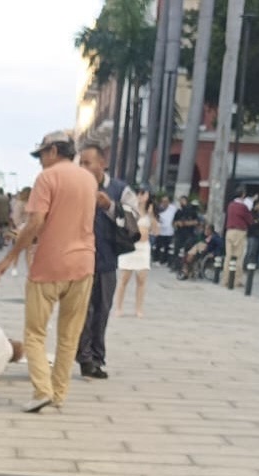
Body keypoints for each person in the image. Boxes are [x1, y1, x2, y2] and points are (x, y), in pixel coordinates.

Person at [0, 130, 97, 413]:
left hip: (50, 265)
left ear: (53, 151)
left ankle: (42, 390)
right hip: (84, 264)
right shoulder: (89, 179)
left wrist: (11, 256)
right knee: (69, 335)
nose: (39, 161)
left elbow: (36, 222)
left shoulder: (47, 178)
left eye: (41, 155)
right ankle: (59, 394)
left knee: (35, 334)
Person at [76, 138, 138, 380]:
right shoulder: (76, 187)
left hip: (106, 261)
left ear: (102, 164)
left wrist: (110, 206)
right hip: (79, 260)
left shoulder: (121, 190)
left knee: (101, 311)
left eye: (87, 162)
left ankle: (96, 357)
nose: (82, 167)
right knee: (82, 311)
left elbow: (134, 221)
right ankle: (85, 358)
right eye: (80, 162)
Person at [114, 188, 157, 317]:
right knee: (124, 279)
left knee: (141, 279)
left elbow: (156, 231)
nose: (140, 196)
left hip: (143, 248)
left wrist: (151, 215)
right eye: (138, 193)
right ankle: (118, 307)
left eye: (143, 193)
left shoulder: (150, 212)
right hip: (130, 246)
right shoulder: (130, 209)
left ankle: (139, 308)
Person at [222, 187, 254, 288]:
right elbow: (250, 220)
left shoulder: (230, 205)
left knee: (228, 256)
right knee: (238, 257)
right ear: (243, 195)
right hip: (239, 231)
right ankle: (237, 280)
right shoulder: (243, 206)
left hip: (229, 231)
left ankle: (225, 279)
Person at [172, 195, 200, 267]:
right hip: (179, 233)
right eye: (180, 201)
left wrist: (186, 223)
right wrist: (178, 223)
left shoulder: (192, 211)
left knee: (187, 248)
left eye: (183, 201)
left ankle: (185, 265)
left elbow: (196, 222)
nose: (181, 202)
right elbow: (174, 222)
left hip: (189, 233)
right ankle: (176, 265)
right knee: (176, 248)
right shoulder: (178, 211)